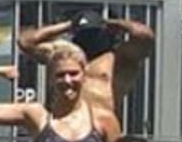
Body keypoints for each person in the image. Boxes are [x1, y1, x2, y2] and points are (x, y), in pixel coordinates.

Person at [20, 13, 155, 121]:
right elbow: (25, 41)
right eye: (84, 34)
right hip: (63, 124)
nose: (89, 38)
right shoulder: (65, 55)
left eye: (94, 34)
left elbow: (144, 36)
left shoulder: (119, 59)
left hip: (100, 124)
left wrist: (112, 23)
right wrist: (69, 24)